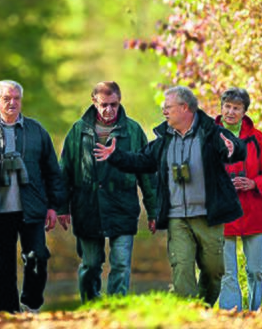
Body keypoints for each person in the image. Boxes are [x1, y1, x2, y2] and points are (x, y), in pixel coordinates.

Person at [94, 86, 246, 306]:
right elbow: (141, 161)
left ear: (184, 108)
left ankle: (203, 307)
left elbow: (235, 147)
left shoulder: (210, 132)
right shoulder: (164, 139)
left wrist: (234, 149)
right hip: (177, 217)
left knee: (214, 271)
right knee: (182, 267)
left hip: (208, 216)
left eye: (168, 107)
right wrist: (115, 156)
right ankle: (189, 314)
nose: (164, 111)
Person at [58, 81, 158, 303]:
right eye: (104, 105)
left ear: (120, 101)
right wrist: (61, 207)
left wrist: (153, 210)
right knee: (91, 265)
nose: (109, 110)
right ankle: (91, 307)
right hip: (87, 206)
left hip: (122, 205)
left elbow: (147, 173)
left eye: (114, 104)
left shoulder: (132, 130)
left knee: (121, 263)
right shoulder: (78, 130)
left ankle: (117, 308)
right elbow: (65, 171)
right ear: (94, 102)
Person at [0, 80, 66, 314]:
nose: (12, 103)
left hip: (32, 208)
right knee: (3, 268)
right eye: (7, 98)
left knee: (38, 258)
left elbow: (52, 171)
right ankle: (8, 315)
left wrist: (54, 206)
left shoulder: (37, 130)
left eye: (16, 98)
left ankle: (31, 303)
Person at [216, 87, 262, 312]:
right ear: (221, 107)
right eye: (227, 107)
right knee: (227, 273)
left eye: (236, 108)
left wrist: (254, 183)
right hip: (222, 214)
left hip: (253, 212)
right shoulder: (208, 137)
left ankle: (255, 315)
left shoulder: (257, 138)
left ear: (244, 112)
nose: (231, 112)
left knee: (256, 270)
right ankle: (230, 317)